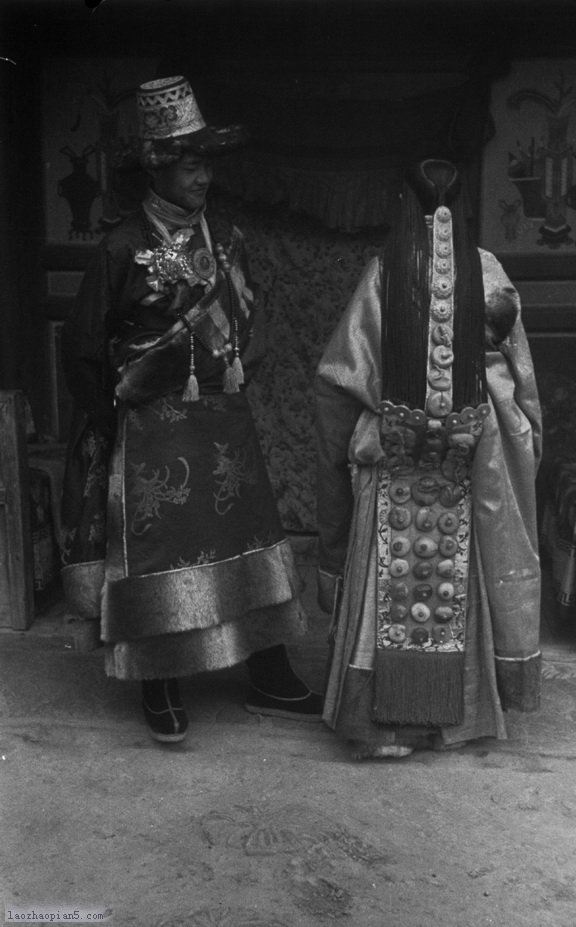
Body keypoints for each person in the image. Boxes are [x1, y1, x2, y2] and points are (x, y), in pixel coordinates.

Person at [61, 75, 321, 743]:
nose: (202, 175)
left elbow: (251, 321)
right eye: (189, 163)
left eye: (206, 163)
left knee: (250, 539)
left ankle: (266, 667)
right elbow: (87, 345)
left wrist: (229, 368)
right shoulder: (123, 246)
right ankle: (160, 678)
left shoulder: (224, 237)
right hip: (152, 429)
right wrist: (111, 418)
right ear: (158, 166)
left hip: (223, 423)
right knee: (162, 552)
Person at [315, 159, 542, 759]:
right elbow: (519, 386)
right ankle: (452, 722)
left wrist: (369, 434)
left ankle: (382, 728)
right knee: (452, 583)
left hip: (393, 467)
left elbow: (339, 379)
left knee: (392, 581)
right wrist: (506, 435)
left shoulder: (383, 272)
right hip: (466, 466)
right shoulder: (488, 271)